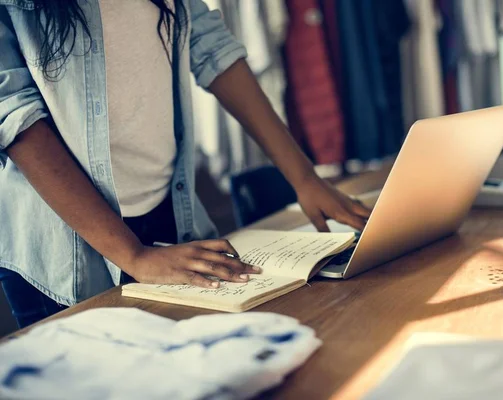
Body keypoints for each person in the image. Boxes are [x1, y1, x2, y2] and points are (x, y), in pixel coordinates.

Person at [0, 0, 371, 328]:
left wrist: (305, 178)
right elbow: (15, 117)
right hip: (66, 248)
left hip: (169, 218)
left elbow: (212, 48)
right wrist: (134, 256)